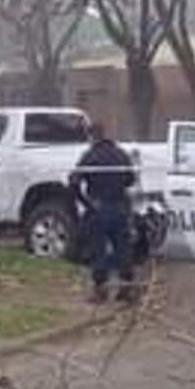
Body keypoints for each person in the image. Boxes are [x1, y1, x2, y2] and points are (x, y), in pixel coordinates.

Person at [70, 123, 137, 303]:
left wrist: (86, 203)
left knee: (98, 250)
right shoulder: (121, 154)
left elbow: (73, 182)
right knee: (123, 248)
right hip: (120, 206)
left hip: (98, 208)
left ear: (91, 137)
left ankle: (101, 292)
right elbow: (131, 179)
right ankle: (126, 290)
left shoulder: (90, 156)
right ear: (105, 134)